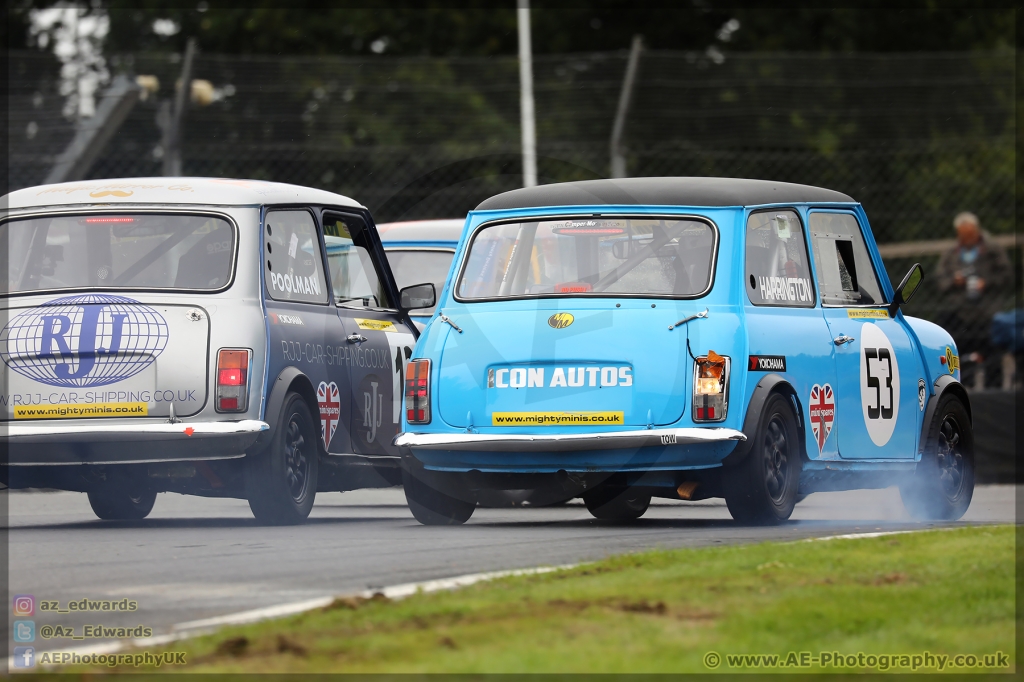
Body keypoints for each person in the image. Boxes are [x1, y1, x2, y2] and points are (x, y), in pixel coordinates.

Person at [935, 212, 1012, 388]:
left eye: (970, 235)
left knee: (993, 358)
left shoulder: (992, 250)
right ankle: (963, 389)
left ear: (977, 231)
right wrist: (955, 281)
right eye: (963, 235)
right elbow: (940, 280)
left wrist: (987, 282)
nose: (967, 239)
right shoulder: (951, 253)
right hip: (961, 314)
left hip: (988, 313)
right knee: (959, 356)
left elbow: (1006, 276)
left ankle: (994, 393)